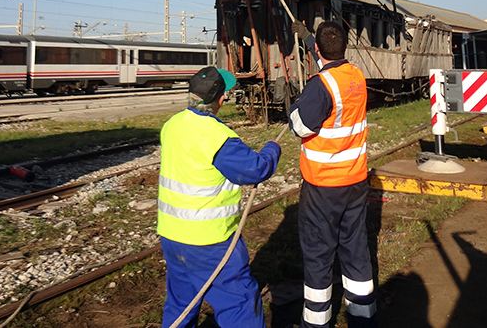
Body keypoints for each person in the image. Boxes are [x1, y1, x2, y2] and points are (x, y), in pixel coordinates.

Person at [157, 65, 282, 328]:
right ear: (221, 99)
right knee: (240, 303)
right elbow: (255, 169)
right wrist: (272, 148)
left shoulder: (172, 125)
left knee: (182, 302)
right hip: (208, 241)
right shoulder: (216, 136)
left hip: (171, 235)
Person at [289, 20, 377, 328]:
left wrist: (296, 105)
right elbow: (330, 60)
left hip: (323, 187)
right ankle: (363, 318)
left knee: (318, 253)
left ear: (315, 50)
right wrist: (310, 37)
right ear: (345, 47)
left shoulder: (320, 86)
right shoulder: (355, 76)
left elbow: (299, 126)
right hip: (355, 181)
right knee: (355, 248)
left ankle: (316, 323)